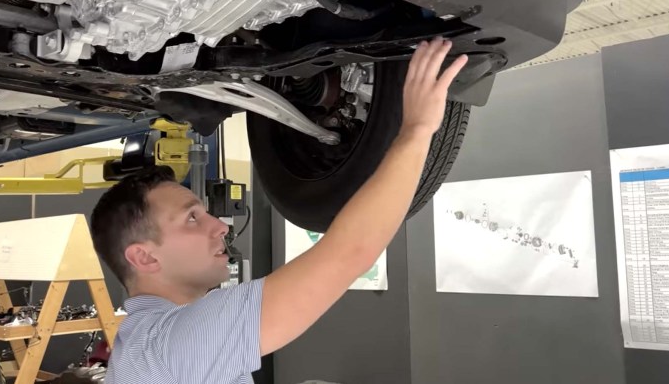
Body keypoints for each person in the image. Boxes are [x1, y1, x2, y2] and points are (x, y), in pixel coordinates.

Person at [88, 37, 468, 383]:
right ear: (143, 256)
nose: (220, 226)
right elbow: (349, 254)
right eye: (192, 217)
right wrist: (416, 131)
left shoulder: (151, 346)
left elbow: (350, 253)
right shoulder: (169, 345)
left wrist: (417, 132)